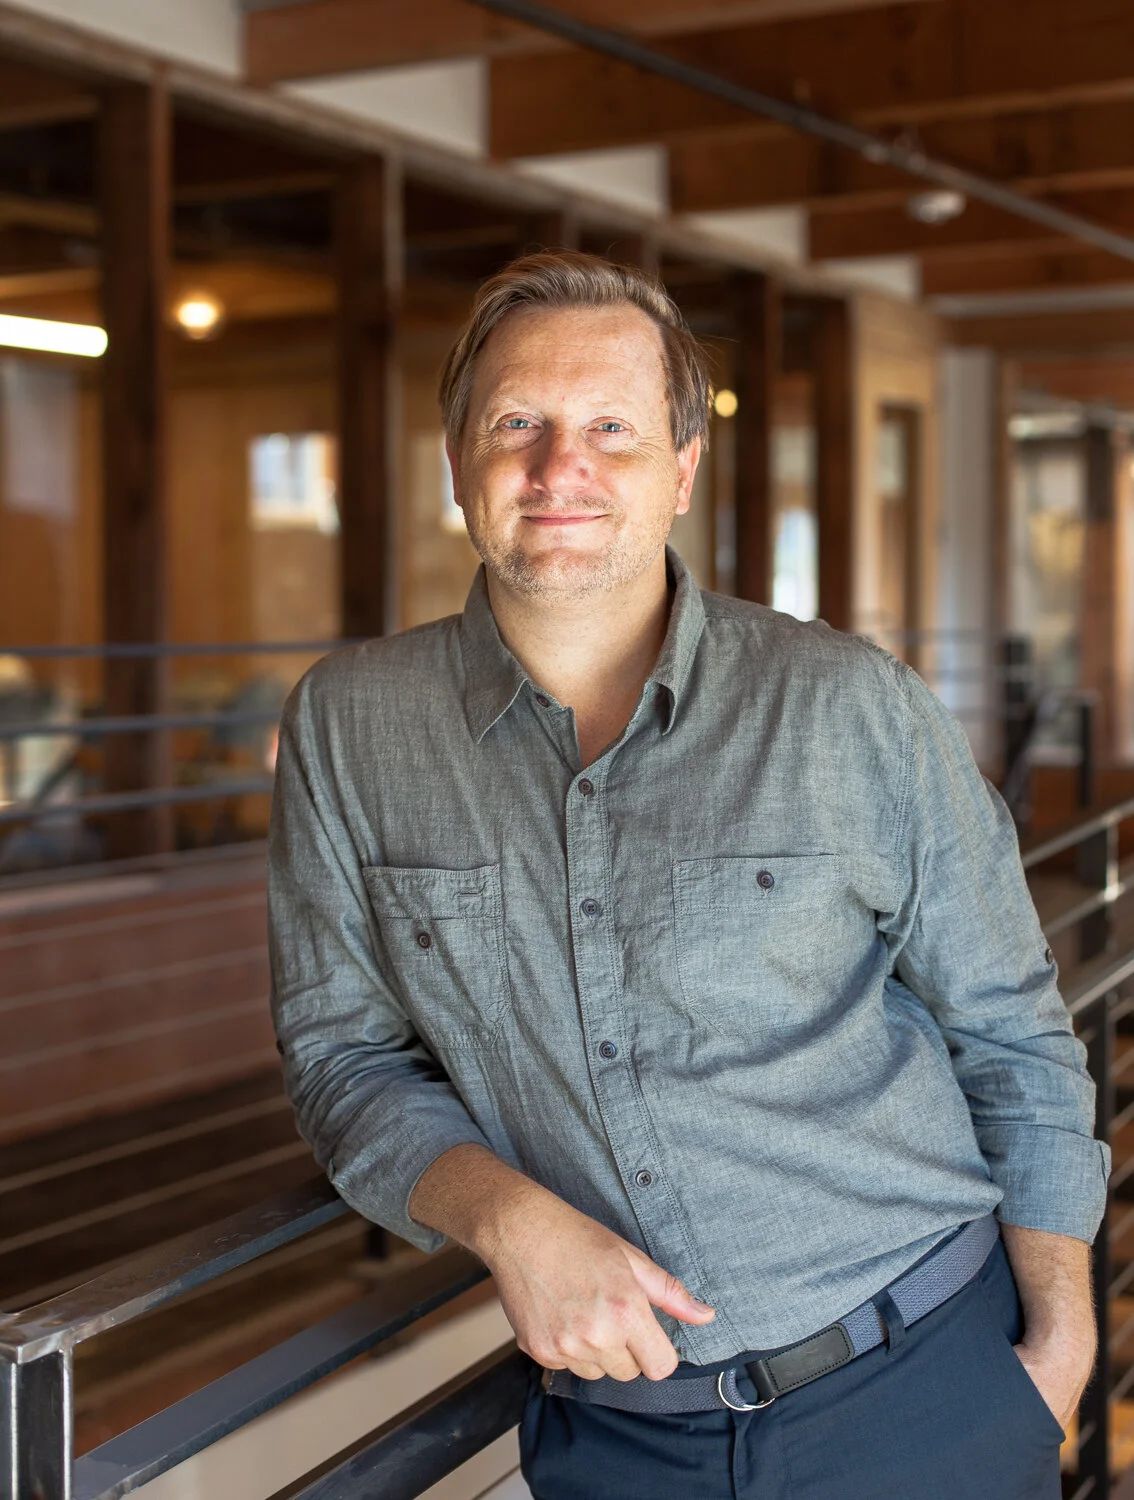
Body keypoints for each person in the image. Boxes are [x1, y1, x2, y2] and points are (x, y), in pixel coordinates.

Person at [268, 252, 1107, 1499]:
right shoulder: (350, 726)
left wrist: (1061, 1337)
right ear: (457, 464)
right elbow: (341, 1055)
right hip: (618, 1436)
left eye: (612, 426)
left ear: (681, 469)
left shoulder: (846, 705)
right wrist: (506, 1218)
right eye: (517, 423)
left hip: (924, 1381)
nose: (562, 469)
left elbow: (1010, 1026)